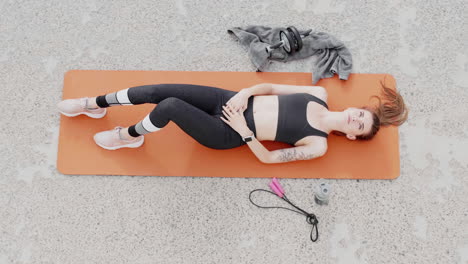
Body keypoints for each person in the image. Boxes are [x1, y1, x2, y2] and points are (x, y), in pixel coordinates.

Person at [57, 83, 408, 163]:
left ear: (350, 134)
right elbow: (269, 87)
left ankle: (129, 136)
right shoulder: (317, 93)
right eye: (361, 114)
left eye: (359, 125)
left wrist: (243, 130)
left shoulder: (319, 144)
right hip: (230, 100)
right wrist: (243, 95)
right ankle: (95, 104)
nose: (356, 118)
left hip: (228, 133)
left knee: (170, 106)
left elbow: (269, 159)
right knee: (157, 88)